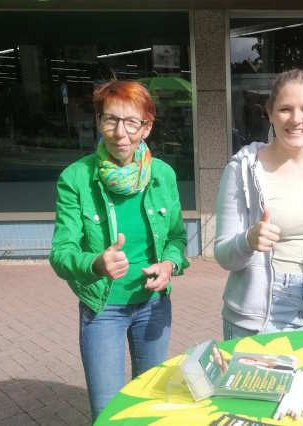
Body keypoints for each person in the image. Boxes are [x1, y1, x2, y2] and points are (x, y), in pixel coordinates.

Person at [49, 80, 189, 422]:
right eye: (110, 120)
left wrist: (170, 264)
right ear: (99, 123)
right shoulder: (76, 178)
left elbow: (177, 238)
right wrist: (95, 263)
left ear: (147, 126)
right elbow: (60, 251)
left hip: (154, 305)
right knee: (109, 413)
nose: (120, 133)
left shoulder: (163, 175)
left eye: (132, 122)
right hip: (103, 309)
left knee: (153, 404)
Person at [214, 69, 303, 340]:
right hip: (258, 317)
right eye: (285, 109)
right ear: (270, 113)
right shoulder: (241, 170)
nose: (296, 119)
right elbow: (223, 254)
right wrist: (248, 240)